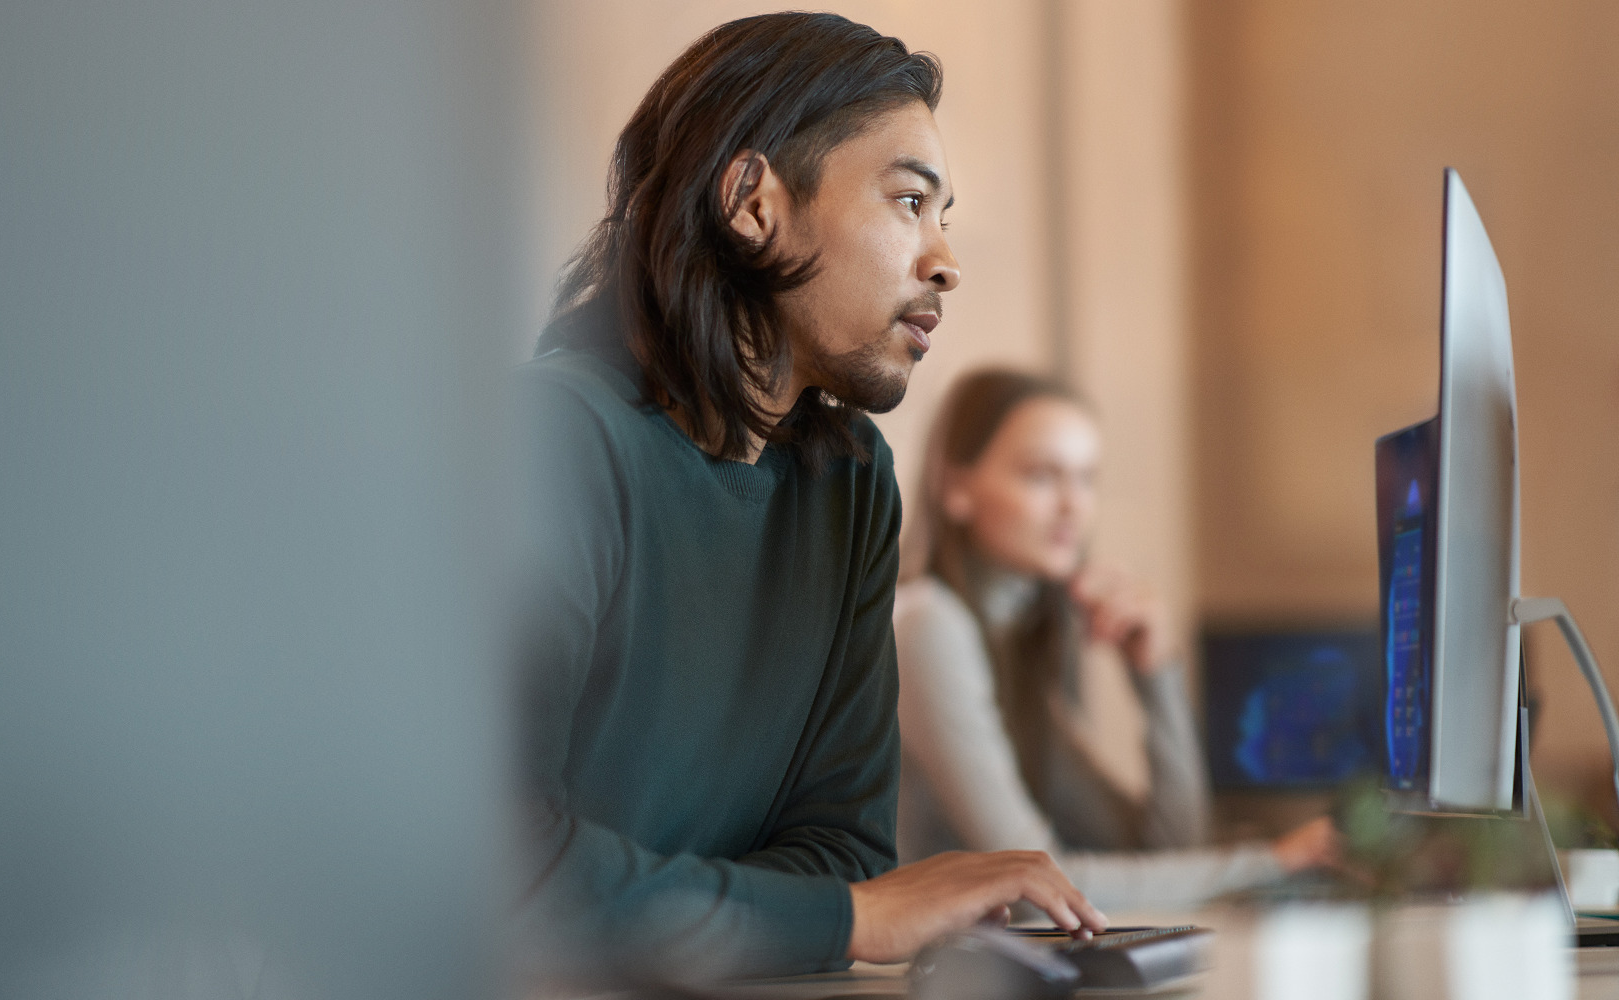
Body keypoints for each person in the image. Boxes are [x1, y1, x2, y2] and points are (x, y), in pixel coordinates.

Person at [512, 13, 1108, 987]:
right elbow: (495, 862)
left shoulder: (850, 485)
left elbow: (841, 851)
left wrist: (797, 910)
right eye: (908, 201)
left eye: (944, 214)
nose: (944, 260)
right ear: (753, 202)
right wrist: (838, 917)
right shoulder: (551, 442)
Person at [894, 367, 1339, 913]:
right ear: (954, 487)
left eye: (1086, 478)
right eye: (1041, 475)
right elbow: (1036, 887)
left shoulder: (1011, 649)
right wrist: (1271, 863)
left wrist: (1156, 678)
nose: (1073, 505)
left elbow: (1169, 848)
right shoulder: (928, 624)